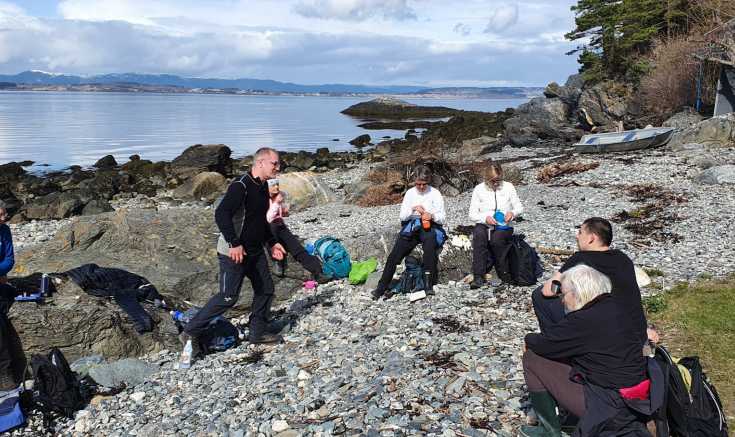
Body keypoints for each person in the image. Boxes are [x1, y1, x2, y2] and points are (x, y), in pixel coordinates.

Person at [521, 264, 661, 437]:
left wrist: (528, 338)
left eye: (563, 294)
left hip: (608, 406)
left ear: (577, 292)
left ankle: (548, 430)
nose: (562, 299)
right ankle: (573, 421)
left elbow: (545, 344)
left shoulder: (582, 320)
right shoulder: (616, 308)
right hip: (637, 398)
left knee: (532, 358)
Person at [180, 148, 287, 353]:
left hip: (254, 251)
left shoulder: (264, 187)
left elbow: (259, 221)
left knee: (265, 289)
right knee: (228, 297)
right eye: (275, 163)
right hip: (233, 251)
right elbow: (221, 214)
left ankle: (257, 333)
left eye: (278, 164)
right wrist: (234, 243)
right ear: (261, 162)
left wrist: (272, 242)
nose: (278, 167)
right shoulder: (241, 186)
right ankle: (191, 331)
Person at [531, 217, 654, 347]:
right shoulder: (623, 259)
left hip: (604, 335)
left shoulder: (581, 259)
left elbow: (549, 291)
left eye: (580, 232)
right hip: (636, 333)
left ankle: (554, 344)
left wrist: (562, 293)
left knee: (539, 295)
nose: (576, 236)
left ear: (592, 237)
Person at [370, 165, 446, 300]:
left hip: (429, 225)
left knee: (429, 248)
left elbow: (442, 217)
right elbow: (402, 216)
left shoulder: (435, 193)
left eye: (424, 184)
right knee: (395, 254)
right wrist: (413, 209)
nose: (421, 187)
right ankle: (381, 287)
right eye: (418, 184)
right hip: (412, 225)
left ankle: (428, 284)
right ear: (414, 182)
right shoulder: (410, 193)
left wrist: (433, 216)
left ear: (428, 182)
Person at [265, 178, 333, 283]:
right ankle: (277, 261)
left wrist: (285, 212)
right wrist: (276, 204)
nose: (277, 187)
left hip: (281, 227)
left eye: (277, 184)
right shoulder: (261, 198)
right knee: (272, 227)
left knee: (299, 250)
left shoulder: (280, 195)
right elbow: (268, 219)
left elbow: (280, 215)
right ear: (266, 187)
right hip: (267, 228)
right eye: (273, 185)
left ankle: (319, 274)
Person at [468, 163, 523, 289]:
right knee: (479, 235)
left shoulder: (508, 187)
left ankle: (504, 272)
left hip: (504, 225)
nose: (496, 184)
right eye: (493, 182)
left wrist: (512, 213)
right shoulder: (478, 189)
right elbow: (472, 214)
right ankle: (478, 275)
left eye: (499, 181)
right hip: (484, 224)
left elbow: (519, 208)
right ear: (486, 180)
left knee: (497, 239)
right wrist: (485, 218)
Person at [0, 200, 18, 390]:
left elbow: (9, 260)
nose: (3, 218)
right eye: (0, 215)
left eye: (4, 213)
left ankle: (4, 373)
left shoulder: (4, 230)